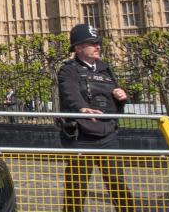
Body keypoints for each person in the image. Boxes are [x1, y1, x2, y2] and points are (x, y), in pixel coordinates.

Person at [57, 24, 134, 211]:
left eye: (98, 43)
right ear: (78, 48)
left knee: (118, 185)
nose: (97, 46)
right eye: (92, 43)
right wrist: (81, 108)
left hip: (108, 135)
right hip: (82, 137)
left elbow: (113, 99)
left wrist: (121, 96)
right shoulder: (69, 70)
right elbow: (69, 93)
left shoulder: (105, 69)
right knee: (75, 188)